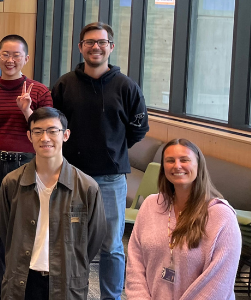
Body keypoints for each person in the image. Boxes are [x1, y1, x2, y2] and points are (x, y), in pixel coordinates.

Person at [50, 22, 149, 300]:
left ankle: (111, 297)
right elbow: (54, 126)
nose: (96, 47)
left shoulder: (127, 86)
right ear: (81, 47)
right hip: (72, 178)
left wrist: (114, 149)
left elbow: (138, 128)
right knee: (71, 242)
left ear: (111, 47)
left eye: (102, 42)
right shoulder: (64, 84)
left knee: (112, 246)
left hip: (111, 180)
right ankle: (71, 294)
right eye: (89, 42)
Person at [0, 34, 53, 298]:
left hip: (30, 167)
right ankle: (3, 293)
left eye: (16, 55)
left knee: (29, 232)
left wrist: (28, 112)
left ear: (26, 59)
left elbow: (47, 135)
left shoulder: (39, 92)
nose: (10, 60)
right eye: (5, 54)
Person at [0, 107, 106, 300]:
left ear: (66, 135)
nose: (45, 138)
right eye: (38, 131)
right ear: (29, 136)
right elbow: (6, 233)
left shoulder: (87, 187)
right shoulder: (12, 183)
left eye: (52, 131)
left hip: (66, 281)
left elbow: (93, 240)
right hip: (23, 277)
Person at [126, 139, 241, 299]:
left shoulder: (222, 216)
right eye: (170, 160)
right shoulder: (151, 205)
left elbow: (218, 286)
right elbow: (135, 262)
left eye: (184, 160)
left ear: (199, 166)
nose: (177, 165)